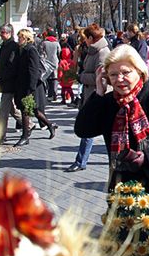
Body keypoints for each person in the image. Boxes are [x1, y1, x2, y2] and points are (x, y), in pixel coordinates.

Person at [74, 44, 149, 244]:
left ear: (140, 71)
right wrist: (98, 93)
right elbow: (83, 130)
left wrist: (147, 157)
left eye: (125, 72)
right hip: (120, 190)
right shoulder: (109, 102)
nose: (119, 79)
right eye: (113, 75)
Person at [65, 24, 110, 173]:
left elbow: (102, 78)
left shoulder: (102, 52)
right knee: (91, 130)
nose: (83, 40)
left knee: (91, 130)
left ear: (91, 38)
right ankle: (81, 160)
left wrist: (81, 77)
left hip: (99, 97)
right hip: (89, 94)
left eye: (85, 38)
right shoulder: (92, 51)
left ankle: (81, 160)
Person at [14, 29, 58, 146]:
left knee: (25, 110)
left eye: (20, 37)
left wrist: (31, 88)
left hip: (31, 86)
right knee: (34, 110)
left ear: (26, 38)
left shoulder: (30, 50)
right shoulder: (21, 49)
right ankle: (50, 124)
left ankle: (25, 136)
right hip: (23, 84)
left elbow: (34, 71)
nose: (18, 39)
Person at [0, 24, 23, 143]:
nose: (1, 35)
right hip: (5, 81)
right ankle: (29, 124)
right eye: (1, 32)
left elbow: (11, 67)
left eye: (3, 32)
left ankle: (1, 135)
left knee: (3, 111)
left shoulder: (13, 46)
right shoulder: (5, 45)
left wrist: (1, 78)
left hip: (10, 82)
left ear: (9, 33)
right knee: (11, 109)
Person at [41, 30, 61, 102]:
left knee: (48, 78)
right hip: (55, 62)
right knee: (55, 78)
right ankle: (55, 93)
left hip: (46, 62)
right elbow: (59, 52)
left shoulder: (44, 43)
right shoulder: (56, 43)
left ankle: (49, 94)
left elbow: (42, 52)